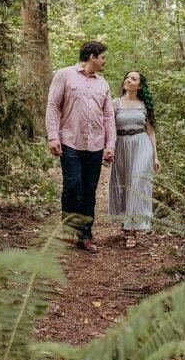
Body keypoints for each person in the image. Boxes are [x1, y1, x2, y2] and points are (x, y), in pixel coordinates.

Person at [45, 41, 116, 253]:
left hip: (95, 144)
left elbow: (108, 115)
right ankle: (68, 228)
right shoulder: (64, 75)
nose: (105, 61)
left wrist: (110, 145)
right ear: (92, 57)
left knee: (89, 191)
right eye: (103, 57)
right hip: (69, 141)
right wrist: (52, 136)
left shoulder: (103, 84)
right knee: (72, 186)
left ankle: (85, 235)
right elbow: (53, 105)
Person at [108, 71, 161, 248]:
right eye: (127, 77)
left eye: (133, 79)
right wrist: (108, 148)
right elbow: (108, 129)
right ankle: (126, 221)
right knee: (124, 185)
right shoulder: (115, 104)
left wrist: (155, 157)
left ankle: (132, 232)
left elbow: (151, 133)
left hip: (141, 145)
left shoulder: (144, 105)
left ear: (139, 86)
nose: (128, 80)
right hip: (121, 145)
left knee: (137, 185)